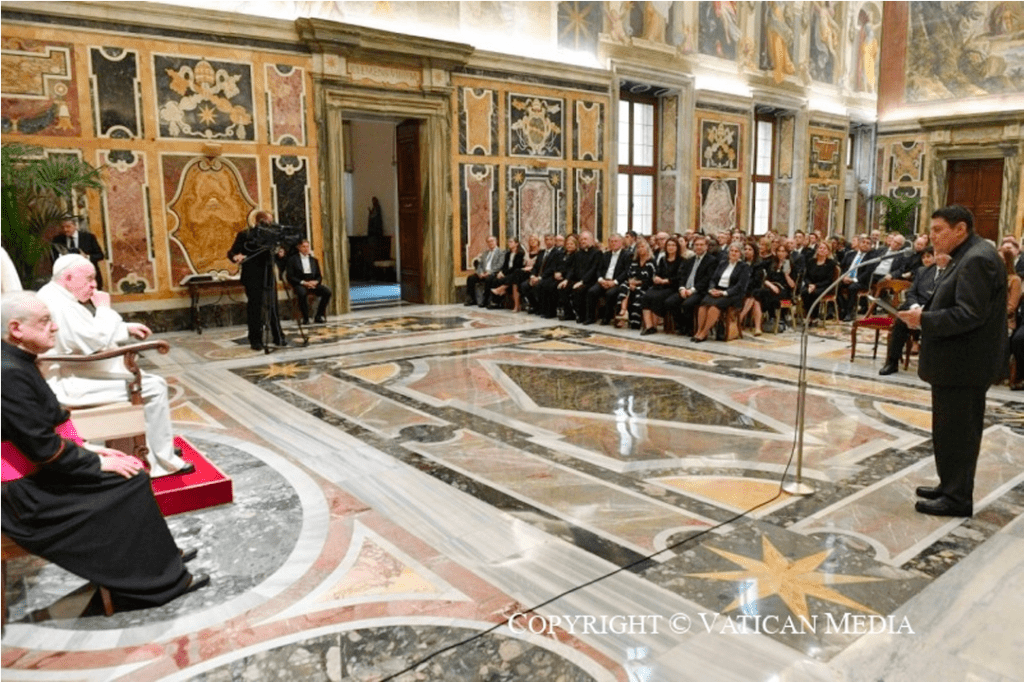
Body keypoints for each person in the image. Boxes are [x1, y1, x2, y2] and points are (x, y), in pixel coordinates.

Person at [1, 291, 209, 611]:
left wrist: (93, 450)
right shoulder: (9, 372)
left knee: (131, 472)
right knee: (127, 480)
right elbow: (44, 450)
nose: (54, 327)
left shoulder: (16, 360)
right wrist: (97, 463)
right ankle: (158, 580)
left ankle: (158, 558)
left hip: (36, 473)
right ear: (16, 329)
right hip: (22, 496)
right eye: (45, 322)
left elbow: (53, 420)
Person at [37, 254, 193, 477]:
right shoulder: (58, 303)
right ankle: (161, 461)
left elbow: (86, 332)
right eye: (89, 279)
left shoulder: (56, 296)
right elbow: (93, 340)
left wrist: (125, 328)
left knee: (147, 381)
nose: (94, 285)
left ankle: (157, 448)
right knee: (155, 386)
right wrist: (104, 309)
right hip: (70, 381)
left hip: (76, 371)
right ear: (68, 277)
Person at [896, 205, 1007, 517]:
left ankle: (957, 498)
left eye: (938, 230)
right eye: (931, 231)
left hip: (965, 364)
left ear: (961, 229)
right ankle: (949, 486)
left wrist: (923, 319)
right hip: (957, 363)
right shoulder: (970, 254)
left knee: (959, 432)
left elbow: (968, 314)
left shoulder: (978, 259)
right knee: (948, 430)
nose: (932, 237)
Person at [228, 210, 287, 350]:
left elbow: (279, 252)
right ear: (258, 221)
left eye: (271, 222)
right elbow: (231, 252)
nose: (270, 225)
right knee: (255, 307)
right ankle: (255, 339)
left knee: (273, 305)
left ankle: (278, 336)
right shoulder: (245, 235)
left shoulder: (273, 236)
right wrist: (236, 257)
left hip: (268, 273)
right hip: (252, 275)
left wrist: (280, 253)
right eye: (268, 222)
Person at [878, 246, 940, 376]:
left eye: (929, 256)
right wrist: (915, 306)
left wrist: (924, 309)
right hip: (916, 306)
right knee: (901, 319)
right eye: (923, 257)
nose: (926, 260)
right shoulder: (921, 271)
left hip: (934, 308)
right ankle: (892, 362)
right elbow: (911, 292)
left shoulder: (946, 272)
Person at [691, 242, 750, 342]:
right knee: (703, 305)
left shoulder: (744, 267)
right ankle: (699, 331)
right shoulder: (723, 263)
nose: (733, 253)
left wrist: (724, 293)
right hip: (717, 290)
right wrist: (711, 289)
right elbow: (713, 279)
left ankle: (704, 332)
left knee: (714, 307)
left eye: (736, 251)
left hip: (732, 294)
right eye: (731, 251)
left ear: (740, 254)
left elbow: (740, 286)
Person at [583, 233, 629, 325]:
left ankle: (606, 318)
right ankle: (590, 318)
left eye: (616, 241)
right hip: (604, 280)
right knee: (591, 291)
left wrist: (614, 282)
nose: (613, 243)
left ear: (621, 242)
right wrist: (601, 280)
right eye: (611, 242)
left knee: (610, 293)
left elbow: (626, 272)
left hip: (616, 282)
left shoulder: (627, 255)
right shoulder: (606, 255)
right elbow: (599, 269)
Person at [51, 216, 106, 290]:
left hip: (88, 278)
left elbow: (100, 255)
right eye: (63, 227)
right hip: (69, 280)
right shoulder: (58, 240)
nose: (65, 229)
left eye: (68, 226)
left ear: (75, 226)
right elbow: (54, 260)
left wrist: (87, 257)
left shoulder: (88, 237)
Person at [285, 239, 331, 325]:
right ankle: (305, 318)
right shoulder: (292, 260)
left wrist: (316, 282)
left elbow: (319, 276)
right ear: (299, 248)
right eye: (304, 246)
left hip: (313, 283)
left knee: (327, 292)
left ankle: (318, 315)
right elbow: (290, 276)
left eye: (307, 247)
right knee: (302, 293)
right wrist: (303, 283)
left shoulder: (314, 260)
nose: (306, 249)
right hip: (300, 283)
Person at [464, 236, 504, 307]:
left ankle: (485, 300)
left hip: (493, 273)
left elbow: (499, 265)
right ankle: (472, 299)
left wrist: (490, 272)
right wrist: (480, 273)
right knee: (471, 278)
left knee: (489, 279)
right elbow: (480, 265)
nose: (490, 243)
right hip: (483, 272)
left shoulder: (501, 253)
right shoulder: (485, 253)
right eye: (488, 242)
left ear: (496, 242)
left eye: (492, 241)